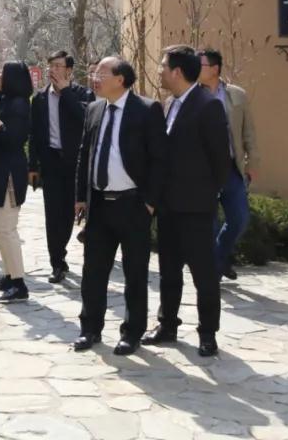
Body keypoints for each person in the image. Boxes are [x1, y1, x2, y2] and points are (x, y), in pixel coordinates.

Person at [72, 57, 167, 354]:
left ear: (120, 79)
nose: (95, 78)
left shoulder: (147, 110)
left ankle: (132, 332)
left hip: (133, 204)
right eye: (94, 73)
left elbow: (160, 160)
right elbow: (85, 154)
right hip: (99, 204)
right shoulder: (94, 108)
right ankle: (90, 329)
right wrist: (81, 196)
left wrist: (150, 203)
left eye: (102, 73)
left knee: (135, 273)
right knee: (93, 272)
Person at [142, 45, 230, 358]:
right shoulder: (169, 104)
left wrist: (206, 194)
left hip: (195, 208)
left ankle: (208, 333)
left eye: (163, 66)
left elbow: (221, 161)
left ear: (177, 72)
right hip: (168, 207)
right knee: (168, 271)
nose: (159, 72)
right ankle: (167, 325)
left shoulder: (208, 105)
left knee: (203, 274)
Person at [29, 51, 95, 284]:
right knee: (52, 214)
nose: (53, 70)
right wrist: (33, 165)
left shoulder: (82, 94)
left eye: (58, 66)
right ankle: (57, 262)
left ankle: (61, 249)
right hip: (51, 162)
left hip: (74, 163)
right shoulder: (40, 98)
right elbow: (35, 134)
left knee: (68, 214)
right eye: (51, 65)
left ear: (69, 70)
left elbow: (85, 119)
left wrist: (65, 92)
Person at [198, 48, 260, 280]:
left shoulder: (237, 95)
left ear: (214, 69)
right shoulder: (192, 96)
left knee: (240, 219)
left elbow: (248, 132)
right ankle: (213, 271)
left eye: (200, 65)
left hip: (232, 168)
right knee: (210, 224)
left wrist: (253, 162)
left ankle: (219, 257)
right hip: (203, 172)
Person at [0, 61, 33, 303]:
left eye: (3, 73)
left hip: (9, 174)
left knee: (6, 229)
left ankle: (19, 283)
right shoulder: (7, 100)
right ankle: (9, 275)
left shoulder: (19, 105)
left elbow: (12, 139)